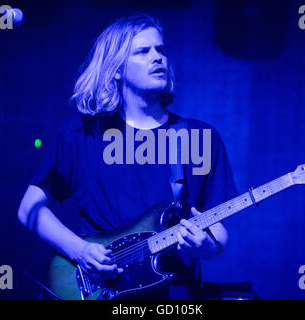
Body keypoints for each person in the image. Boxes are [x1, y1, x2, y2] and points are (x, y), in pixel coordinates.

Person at [17, 13, 238, 300]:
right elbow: (29, 209)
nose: (157, 57)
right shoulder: (81, 133)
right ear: (117, 69)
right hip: (100, 290)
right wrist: (80, 250)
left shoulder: (200, 137)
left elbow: (217, 230)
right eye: (143, 51)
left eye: (160, 50)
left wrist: (205, 247)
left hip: (172, 296)